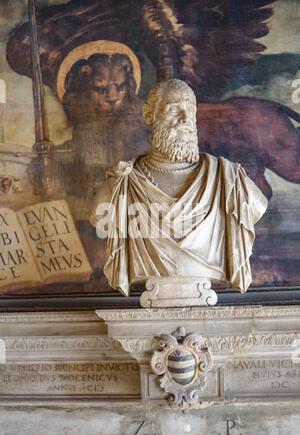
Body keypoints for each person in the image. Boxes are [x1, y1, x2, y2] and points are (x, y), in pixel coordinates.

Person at [90, 79, 268, 297]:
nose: (185, 119)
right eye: (174, 109)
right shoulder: (120, 187)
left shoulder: (230, 180)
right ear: (149, 115)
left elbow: (258, 208)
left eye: (190, 110)